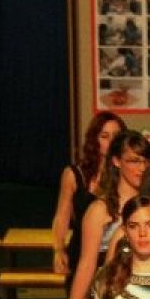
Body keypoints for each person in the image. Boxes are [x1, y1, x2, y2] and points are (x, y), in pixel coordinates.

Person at [61, 130, 150, 299]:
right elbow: (86, 266)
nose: (141, 168)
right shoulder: (99, 210)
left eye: (145, 161)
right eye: (133, 161)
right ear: (116, 161)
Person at [52, 111, 124, 288]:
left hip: (117, 257)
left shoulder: (128, 176)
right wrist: (58, 250)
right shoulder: (74, 174)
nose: (111, 141)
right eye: (104, 136)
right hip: (81, 252)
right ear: (94, 140)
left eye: (116, 136)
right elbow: (62, 216)